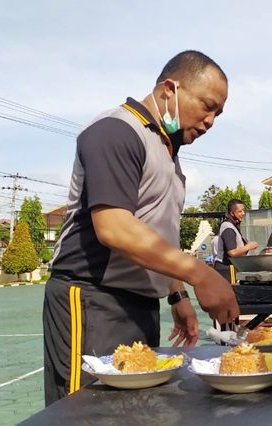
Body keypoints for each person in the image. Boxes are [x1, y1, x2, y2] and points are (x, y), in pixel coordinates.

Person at [44, 51, 239, 405]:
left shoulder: (168, 153)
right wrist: (202, 275)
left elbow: (157, 232)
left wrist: (176, 293)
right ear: (170, 90)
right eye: (207, 106)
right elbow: (115, 227)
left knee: (135, 411)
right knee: (84, 411)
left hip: (140, 305)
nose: (211, 121)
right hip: (93, 299)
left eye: (218, 114)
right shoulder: (115, 130)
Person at [214, 199, 258, 281]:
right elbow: (232, 252)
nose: (243, 214)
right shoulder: (228, 227)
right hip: (227, 269)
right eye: (240, 211)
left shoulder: (233, 226)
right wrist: (248, 246)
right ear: (232, 213)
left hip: (231, 268)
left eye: (243, 211)